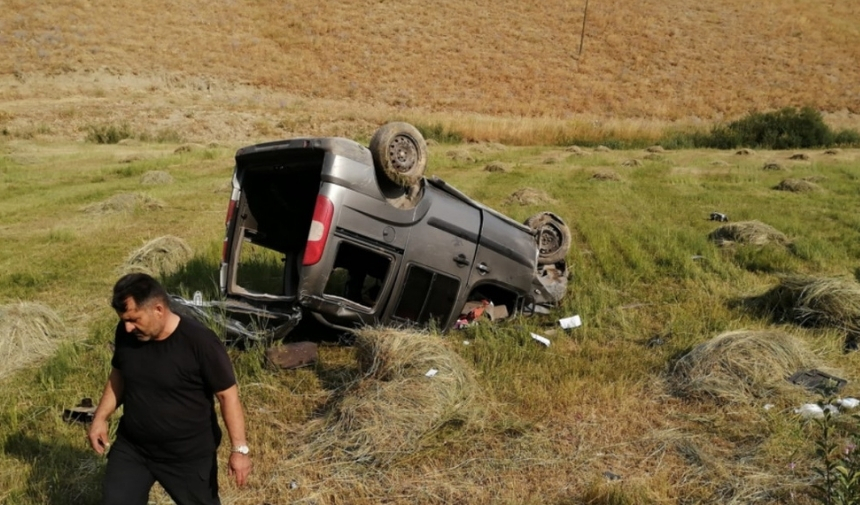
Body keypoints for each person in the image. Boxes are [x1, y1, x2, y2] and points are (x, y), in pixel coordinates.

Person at [87, 273, 252, 505]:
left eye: (134, 319)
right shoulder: (128, 334)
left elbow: (228, 396)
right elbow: (119, 375)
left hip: (187, 456)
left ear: (158, 309)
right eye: (124, 319)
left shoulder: (200, 342)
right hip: (134, 449)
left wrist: (240, 449)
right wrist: (100, 417)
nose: (127, 327)